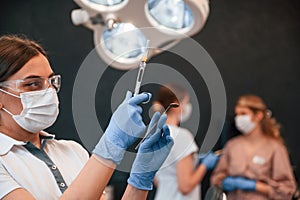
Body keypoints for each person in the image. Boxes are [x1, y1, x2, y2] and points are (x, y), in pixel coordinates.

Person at [0, 34, 174, 199]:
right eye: (33, 84)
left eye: (51, 82)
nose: (48, 92)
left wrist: (140, 181)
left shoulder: (73, 152)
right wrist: (110, 147)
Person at [210, 94, 296, 200]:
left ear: (258, 115)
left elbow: (287, 190)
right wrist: (222, 182)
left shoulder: (275, 148)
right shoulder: (232, 146)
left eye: (243, 114)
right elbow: (216, 178)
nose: (239, 119)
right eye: (237, 115)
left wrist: (255, 186)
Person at [152, 84, 220, 200]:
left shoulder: (155, 134)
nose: (188, 107)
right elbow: (185, 187)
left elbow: (157, 180)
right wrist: (204, 166)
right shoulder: (182, 136)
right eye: (186, 102)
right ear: (176, 103)